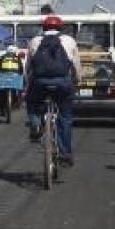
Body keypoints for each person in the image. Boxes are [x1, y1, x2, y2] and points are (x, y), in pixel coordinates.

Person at [26, 15, 81, 166]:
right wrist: (77, 80)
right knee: (65, 117)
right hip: (63, 83)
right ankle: (65, 154)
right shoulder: (69, 41)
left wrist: (28, 82)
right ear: (61, 28)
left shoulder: (34, 41)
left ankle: (36, 124)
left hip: (40, 82)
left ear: (43, 28)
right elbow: (76, 66)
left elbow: (28, 67)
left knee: (31, 102)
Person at [0, 46, 24, 115]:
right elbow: (21, 68)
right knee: (14, 90)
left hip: (4, 76)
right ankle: (14, 104)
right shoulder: (17, 58)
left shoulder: (2, 57)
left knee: (2, 92)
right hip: (14, 77)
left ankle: (2, 109)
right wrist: (20, 74)